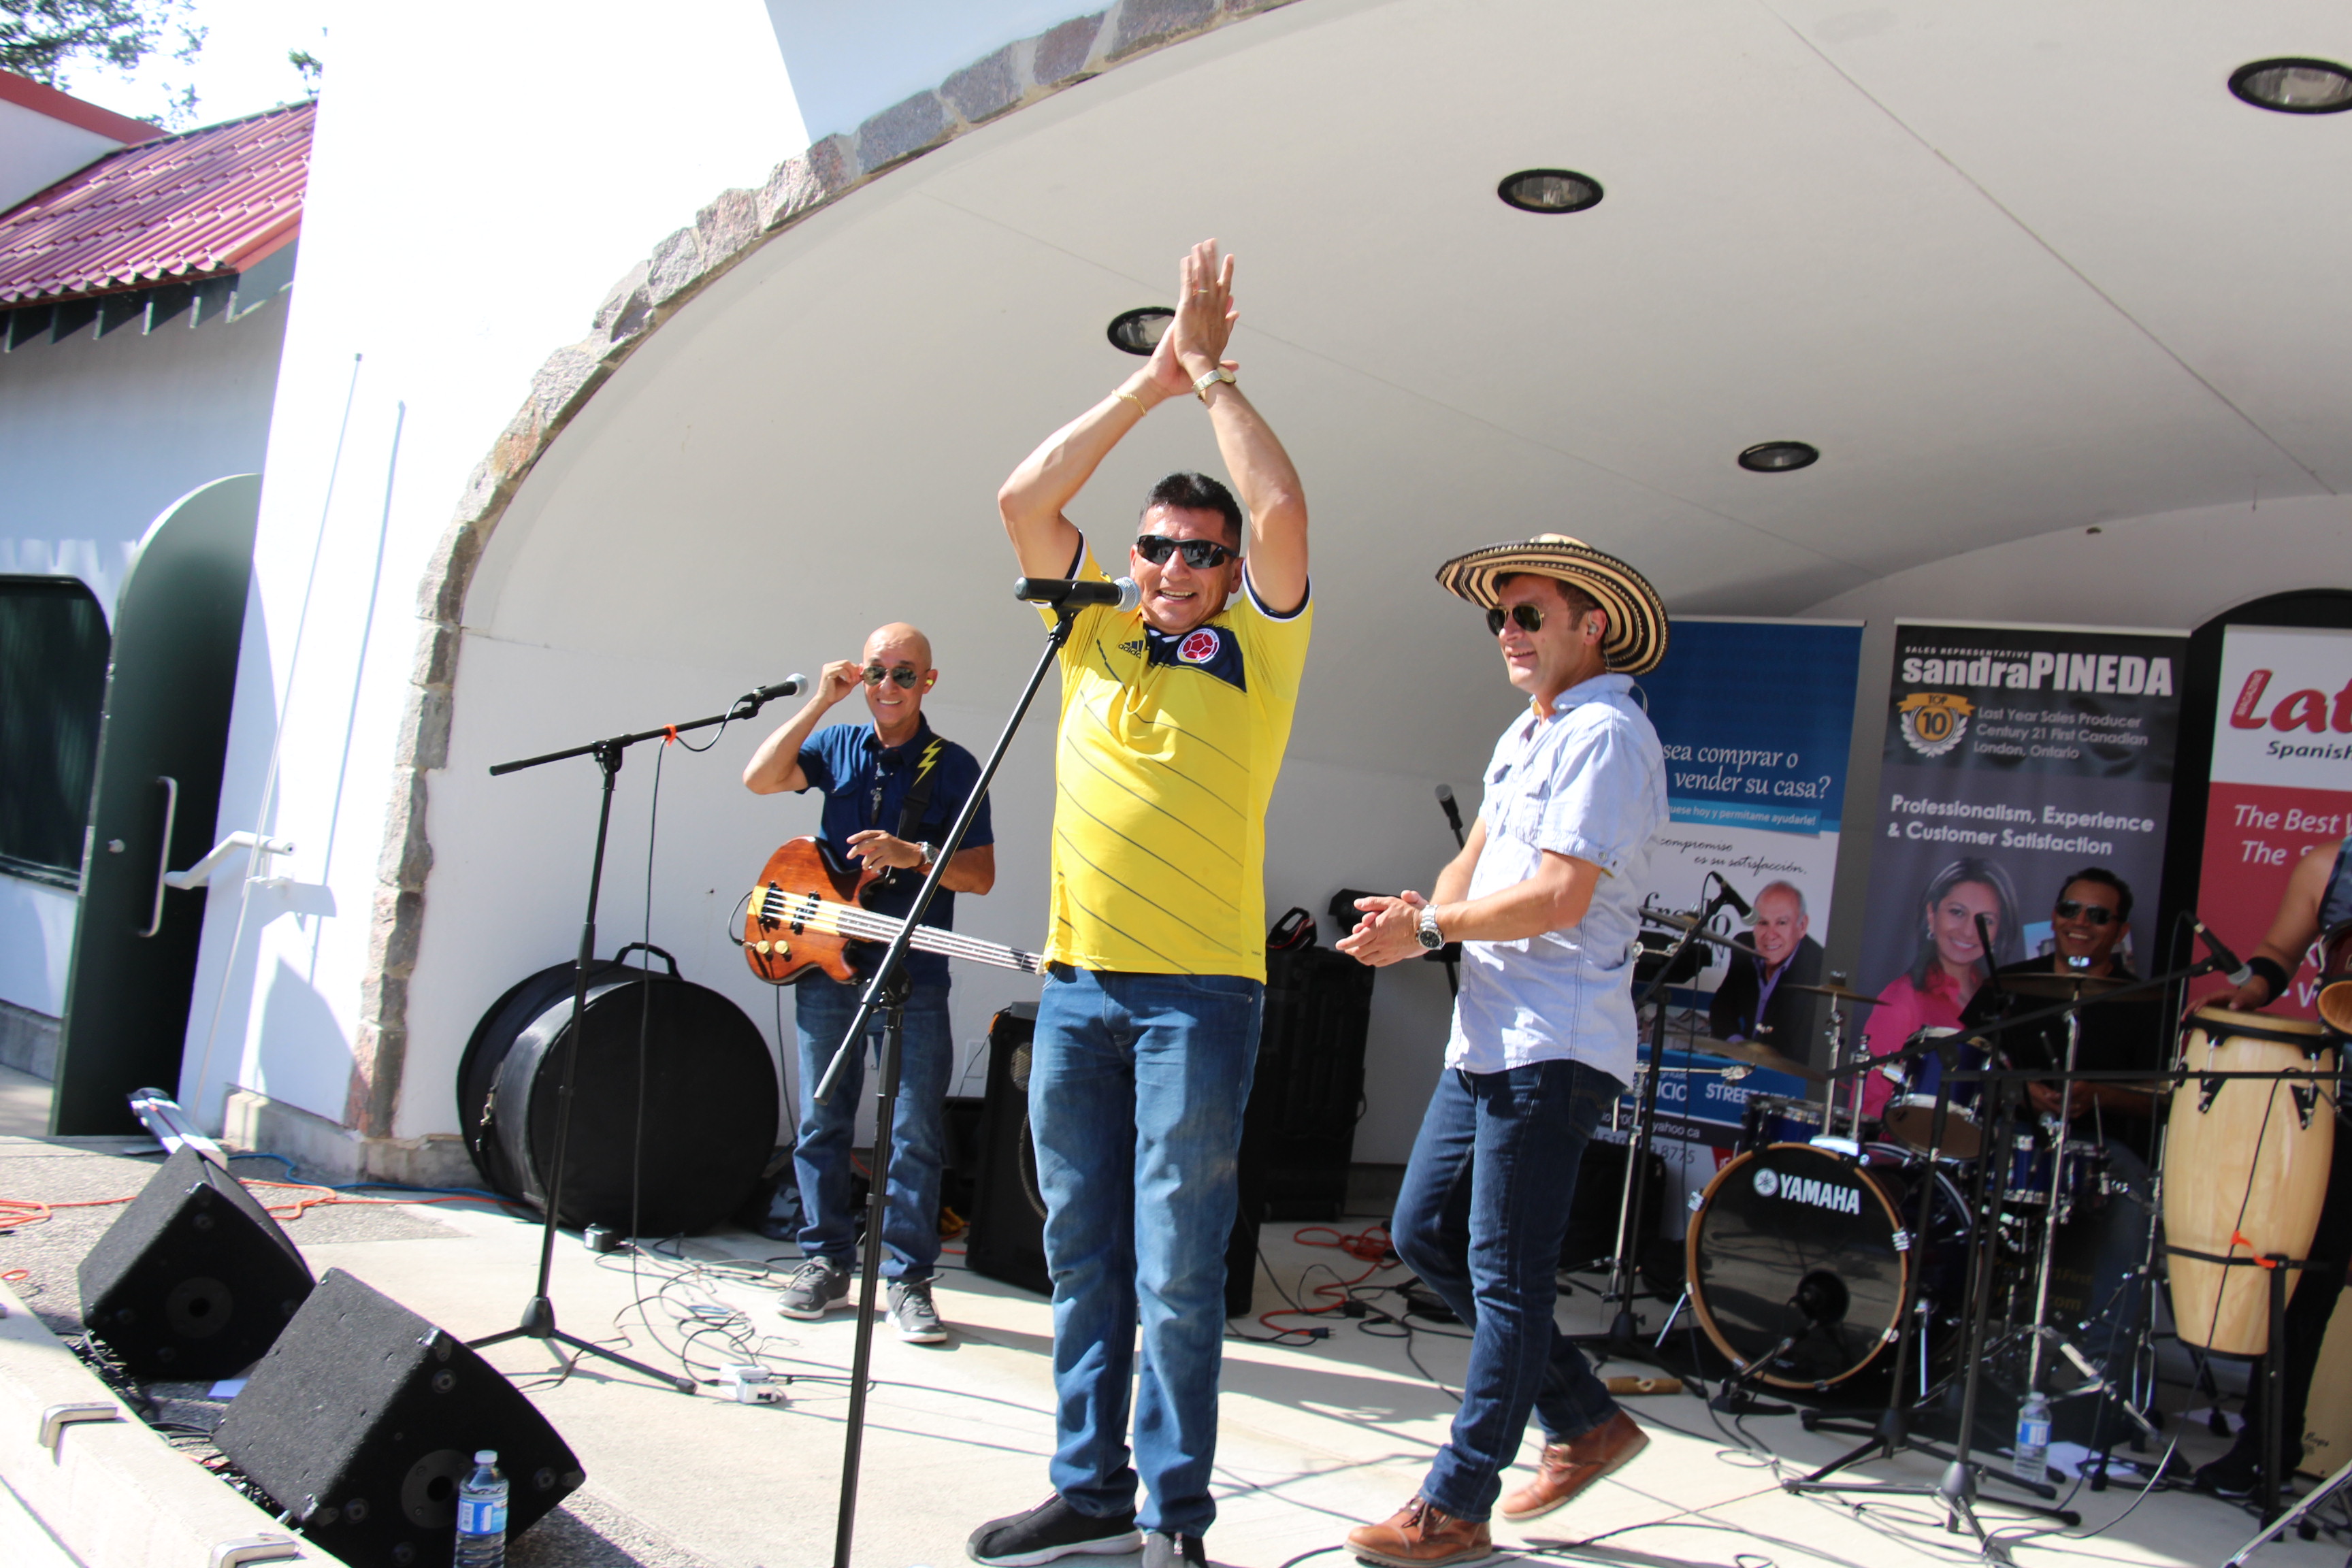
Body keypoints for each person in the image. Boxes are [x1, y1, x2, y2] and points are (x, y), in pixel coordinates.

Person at [965, 239, 1311, 1568]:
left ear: (1227, 571)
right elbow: (1022, 496)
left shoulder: (1259, 649)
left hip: (1200, 1002)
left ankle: (1174, 1517)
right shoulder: (1094, 626)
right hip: (1076, 988)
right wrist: (1147, 383)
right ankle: (1089, 1487)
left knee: (1175, 1265)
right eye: (1157, 546)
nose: (1173, 566)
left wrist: (1212, 378)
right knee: (1082, 1253)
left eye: (1199, 553)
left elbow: (1281, 509)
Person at [1336, 534, 1669, 1567]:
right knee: (1424, 1232)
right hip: (1488, 1038)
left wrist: (1432, 931)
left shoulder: (1606, 735)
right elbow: (1469, 866)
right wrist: (1415, 918)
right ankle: (1586, 1420)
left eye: (1529, 615)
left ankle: (1457, 1502)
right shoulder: (1527, 732)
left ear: (1591, 625)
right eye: (1499, 618)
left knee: (1506, 1273)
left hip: (1553, 1044)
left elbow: (1561, 895)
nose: (1509, 635)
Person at [742, 623, 995, 1345]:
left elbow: (979, 876)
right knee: (823, 1118)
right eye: (877, 672)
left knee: (913, 1131)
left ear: (928, 683)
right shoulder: (836, 745)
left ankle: (908, 1279)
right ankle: (824, 1261)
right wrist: (821, 701)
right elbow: (760, 778)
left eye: (905, 674)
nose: (888, 686)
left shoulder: (955, 765)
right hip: (827, 964)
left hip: (914, 975)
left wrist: (914, 855)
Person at [2195, 834, 2352, 1498]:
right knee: (2302, 1283)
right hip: (2339, 1104)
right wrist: (2254, 991)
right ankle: (2266, 1446)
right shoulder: (2330, 866)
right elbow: (2282, 953)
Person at [1859, 855, 2021, 1120]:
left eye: (1986, 920)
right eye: (1957, 912)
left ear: (1999, 930)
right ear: (1932, 914)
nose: (1969, 931)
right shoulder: (1902, 1000)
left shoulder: (1997, 997)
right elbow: (1869, 1108)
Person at [1706, 880, 1825, 1054]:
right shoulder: (1744, 946)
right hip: (1743, 1059)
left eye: (1781, 923)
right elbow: (1722, 1008)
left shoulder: (1818, 967)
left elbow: (1806, 1048)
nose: (1770, 935)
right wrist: (1738, 1046)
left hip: (1788, 1066)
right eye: (1763, 923)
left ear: (1802, 926)